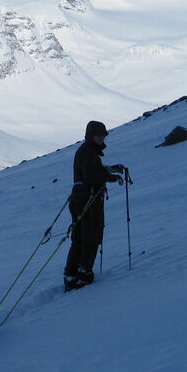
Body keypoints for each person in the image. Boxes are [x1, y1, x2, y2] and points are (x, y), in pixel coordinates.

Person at [64, 120, 124, 291]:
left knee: (79, 238)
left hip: (78, 198)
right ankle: (84, 274)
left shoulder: (86, 151)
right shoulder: (88, 152)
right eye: (98, 135)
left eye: (103, 135)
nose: (101, 138)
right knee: (91, 236)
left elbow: (92, 171)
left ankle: (71, 275)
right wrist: (113, 177)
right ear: (91, 136)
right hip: (88, 199)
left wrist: (111, 170)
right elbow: (92, 176)